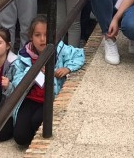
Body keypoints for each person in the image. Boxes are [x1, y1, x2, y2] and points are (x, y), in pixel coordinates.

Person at [10, 17, 85, 146]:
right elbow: (16, 81)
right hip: (30, 99)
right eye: (37, 35)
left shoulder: (60, 49)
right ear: (31, 37)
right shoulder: (23, 55)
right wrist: (32, 73)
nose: (42, 39)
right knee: (20, 138)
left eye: (46, 35)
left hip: (50, 98)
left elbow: (79, 54)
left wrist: (67, 68)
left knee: (38, 121)